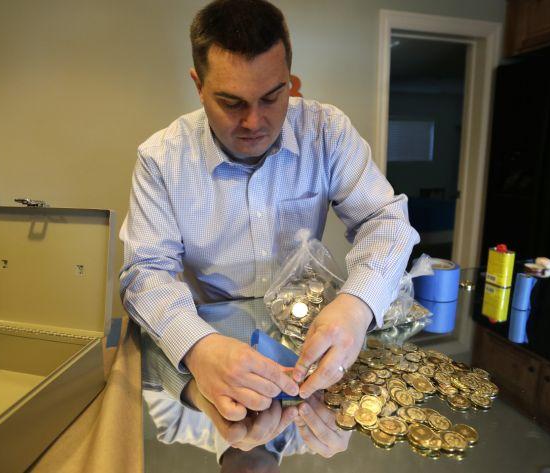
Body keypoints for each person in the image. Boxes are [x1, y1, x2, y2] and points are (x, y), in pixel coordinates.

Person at [120, 0, 418, 422]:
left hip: (308, 338)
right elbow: (145, 271)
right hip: (209, 333)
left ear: (290, 82)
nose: (254, 122)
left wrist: (356, 305)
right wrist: (198, 346)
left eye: (272, 97)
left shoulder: (326, 131)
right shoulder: (161, 158)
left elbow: (384, 220)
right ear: (198, 85)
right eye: (232, 102)